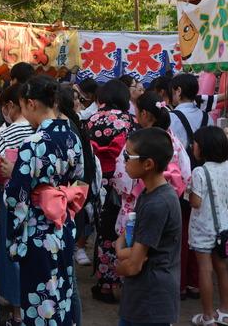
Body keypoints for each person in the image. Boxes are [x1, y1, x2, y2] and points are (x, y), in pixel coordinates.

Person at [5, 75, 85, 326]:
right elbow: (79, 181)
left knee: (40, 299)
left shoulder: (34, 143)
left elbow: (15, 196)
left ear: (31, 103)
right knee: (62, 292)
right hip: (63, 227)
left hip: (38, 233)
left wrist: (15, 238)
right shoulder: (72, 138)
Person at [116, 127, 181, 326]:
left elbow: (135, 264)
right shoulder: (150, 193)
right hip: (143, 297)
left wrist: (120, 257)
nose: (123, 160)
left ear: (148, 164)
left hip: (150, 301)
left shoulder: (157, 204)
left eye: (128, 156)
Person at [86, 79, 137, 303]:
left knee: (104, 231)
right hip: (125, 182)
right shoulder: (130, 122)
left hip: (100, 182)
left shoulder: (91, 121)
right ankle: (127, 278)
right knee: (127, 230)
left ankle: (106, 284)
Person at [113, 92, 191, 238]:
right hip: (168, 198)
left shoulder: (138, 141)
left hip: (138, 198)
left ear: (144, 114)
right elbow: (186, 174)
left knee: (137, 240)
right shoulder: (172, 139)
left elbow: (121, 174)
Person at [0, 83, 35, 326]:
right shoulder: (36, 130)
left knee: (13, 252)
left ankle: (17, 312)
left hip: (12, 198)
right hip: (36, 200)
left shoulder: (7, 134)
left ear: (9, 106)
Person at [169, 73, 213, 300]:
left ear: (177, 91)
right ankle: (197, 282)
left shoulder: (171, 118)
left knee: (182, 232)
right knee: (201, 230)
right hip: (205, 179)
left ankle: (181, 284)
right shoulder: (208, 118)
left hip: (182, 182)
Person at [187, 126, 228, 326]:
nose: (193, 147)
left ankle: (207, 317)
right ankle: (226, 312)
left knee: (205, 270)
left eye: (195, 144)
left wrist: (187, 191)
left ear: (203, 148)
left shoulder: (199, 171)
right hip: (224, 228)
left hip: (203, 229)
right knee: (222, 269)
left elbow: (196, 202)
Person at [58, 86, 97, 267]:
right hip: (72, 190)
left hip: (72, 191)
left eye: (79, 98)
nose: (78, 102)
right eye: (74, 98)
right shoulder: (69, 124)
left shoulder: (71, 124)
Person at [0, 62, 35, 140]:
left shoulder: (8, 99)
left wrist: (5, 143)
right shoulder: (38, 99)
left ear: (15, 80)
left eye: (12, 79)